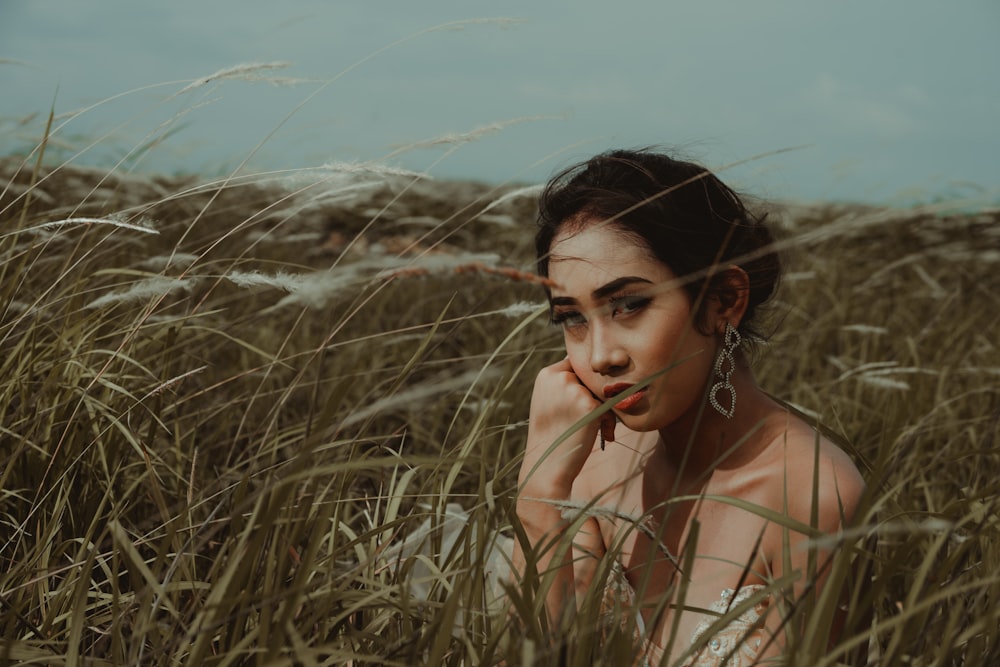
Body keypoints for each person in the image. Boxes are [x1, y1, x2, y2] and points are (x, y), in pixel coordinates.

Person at [512, 148, 865, 665]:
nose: (600, 356)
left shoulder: (812, 498)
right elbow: (542, 655)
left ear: (724, 299)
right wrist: (538, 491)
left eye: (630, 304)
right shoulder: (594, 465)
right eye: (572, 317)